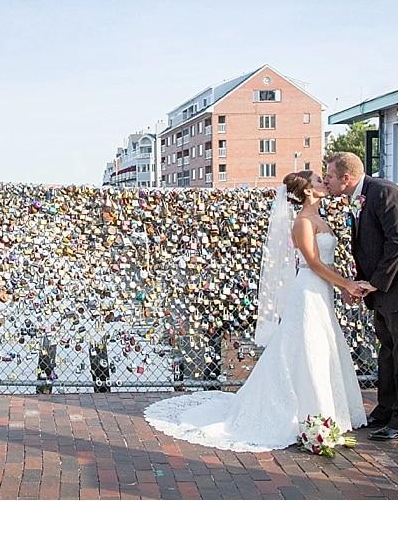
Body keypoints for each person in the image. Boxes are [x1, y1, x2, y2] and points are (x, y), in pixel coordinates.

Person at [143, 171, 368, 452]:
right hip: (309, 290)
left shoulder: (320, 219)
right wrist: (346, 283)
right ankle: (306, 414)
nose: (326, 183)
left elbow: (326, 264)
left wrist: (344, 287)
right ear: (309, 191)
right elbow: (313, 263)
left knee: (320, 347)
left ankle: (323, 412)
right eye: (320, 180)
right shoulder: (303, 222)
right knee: (306, 347)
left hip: (323, 291)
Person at [324, 151, 398, 442]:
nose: (326, 181)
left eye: (329, 176)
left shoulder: (386, 193)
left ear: (346, 178)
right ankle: (387, 409)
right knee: (389, 352)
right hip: (385, 292)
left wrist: (375, 283)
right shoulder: (360, 197)